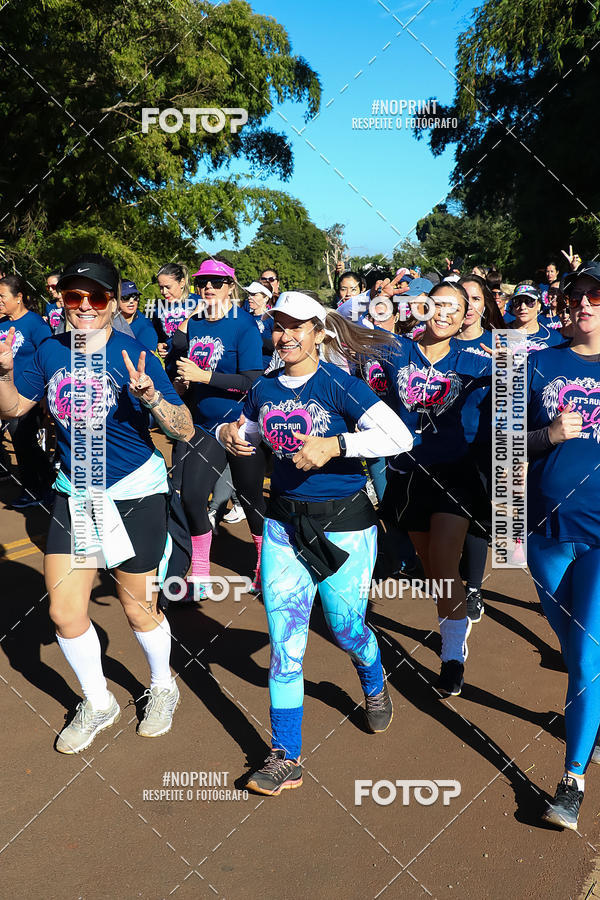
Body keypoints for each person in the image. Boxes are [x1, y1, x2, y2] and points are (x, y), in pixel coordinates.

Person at [218, 291, 413, 795]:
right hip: (284, 527)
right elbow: (256, 428)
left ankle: (372, 678)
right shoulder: (265, 386)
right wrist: (231, 435)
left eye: (295, 326)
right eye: (278, 325)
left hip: (345, 525)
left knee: (347, 629)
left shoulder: (340, 385)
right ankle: (286, 755)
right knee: (286, 647)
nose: (284, 335)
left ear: (319, 332)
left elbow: (399, 437)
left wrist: (337, 444)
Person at [0, 253, 194, 754]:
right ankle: (99, 701)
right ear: (61, 301)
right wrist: (2, 374)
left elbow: (184, 428)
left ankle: (163, 685)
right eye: (73, 296)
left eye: (96, 296)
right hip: (77, 493)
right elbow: (17, 407)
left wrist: (151, 397)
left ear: (112, 303)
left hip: (133, 492)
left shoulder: (136, 353)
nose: (84, 306)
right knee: (64, 614)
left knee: (138, 610)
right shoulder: (46, 351)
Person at [381, 281, 492, 696]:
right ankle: (453, 624)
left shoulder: (477, 361)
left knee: (445, 564)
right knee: (433, 572)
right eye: (436, 303)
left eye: (454, 307)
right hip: (407, 474)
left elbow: (521, 391)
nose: (443, 313)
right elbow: (345, 334)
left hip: (455, 474)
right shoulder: (395, 349)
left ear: (466, 315)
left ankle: (452, 657)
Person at [526, 261, 600, 829]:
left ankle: (571, 778)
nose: (584, 304)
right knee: (576, 646)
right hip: (545, 529)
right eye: (577, 295)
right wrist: (549, 434)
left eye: (596, 296)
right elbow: (502, 446)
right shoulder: (537, 363)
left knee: (583, 659)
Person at [169, 257, 266, 598]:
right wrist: (183, 384)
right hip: (204, 425)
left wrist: (205, 376)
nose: (207, 287)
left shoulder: (244, 326)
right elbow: (191, 372)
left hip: (242, 424)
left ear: (230, 286)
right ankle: (200, 571)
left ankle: (262, 566)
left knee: (251, 498)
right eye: (202, 282)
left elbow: (253, 380)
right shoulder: (194, 324)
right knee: (192, 497)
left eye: (215, 282)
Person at [0, 275, 54, 505]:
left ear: (19, 297)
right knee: (21, 442)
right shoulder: (1, 324)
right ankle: (39, 486)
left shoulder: (35, 324)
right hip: (5, 396)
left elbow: (49, 358)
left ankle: (40, 487)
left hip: (29, 396)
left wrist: (45, 394)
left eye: (2, 297)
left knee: (23, 441)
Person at [152, 263, 199, 360]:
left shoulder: (198, 302)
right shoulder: (158, 308)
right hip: (172, 366)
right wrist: (160, 344)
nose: (164, 292)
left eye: (168, 287)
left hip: (195, 365)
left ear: (182, 283)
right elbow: (160, 336)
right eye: (161, 287)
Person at [507, 283, 564, 352]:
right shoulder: (501, 335)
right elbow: (501, 362)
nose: (523, 307)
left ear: (539, 305)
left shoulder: (554, 338)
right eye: (517, 302)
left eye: (529, 301)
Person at [119, 280, 159, 351]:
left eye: (135, 297)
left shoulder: (146, 328)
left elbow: (147, 359)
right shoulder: (106, 319)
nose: (131, 301)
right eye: (126, 297)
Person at [244, 280, 275, 369]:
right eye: (249, 294)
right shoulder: (245, 317)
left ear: (265, 298)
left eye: (254, 294)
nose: (250, 297)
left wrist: (255, 339)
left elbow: (276, 345)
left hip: (264, 368)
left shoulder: (271, 319)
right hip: (244, 365)